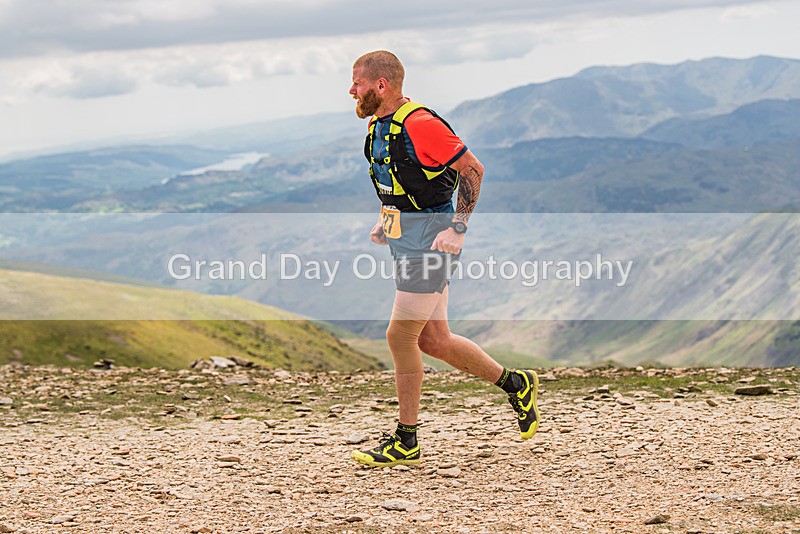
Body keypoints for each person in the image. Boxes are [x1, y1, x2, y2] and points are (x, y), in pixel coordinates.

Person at [348, 50, 540, 468]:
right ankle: (516, 384)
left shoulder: (421, 124)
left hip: (431, 245)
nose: (352, 91)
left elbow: (473, 170)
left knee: (399, 338)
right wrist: (387, 221)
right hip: (408, 239)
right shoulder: (380, 125)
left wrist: (458, 228)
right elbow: (404, 182)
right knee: (434, 340)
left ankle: (407, 440)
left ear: (381, 85)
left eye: (357, 83)